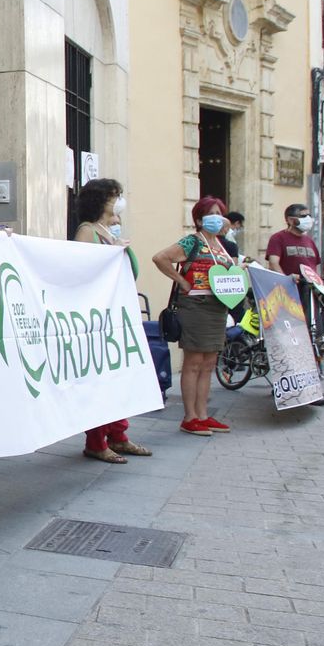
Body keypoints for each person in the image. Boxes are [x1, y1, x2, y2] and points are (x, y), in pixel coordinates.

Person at [72, 179, 153, 462]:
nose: (118, 201)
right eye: (113, 196)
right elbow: (83, 269)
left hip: (116, 316)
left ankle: (118, 435)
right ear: (99, 201)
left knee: (117, 379)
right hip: (98, 319)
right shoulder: (87, 231)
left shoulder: (108, 230)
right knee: (100, 382)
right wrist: (112, 251)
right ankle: (96, 440)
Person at [152, 197, 235, 437]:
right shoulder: (192, 241)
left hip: (217, 307)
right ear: (199, 219)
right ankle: (190, 417)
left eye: (220, 213)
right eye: (211, 213)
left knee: (209, 363)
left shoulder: (221, 245)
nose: (217, 217)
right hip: (195, 305)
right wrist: (182, 282)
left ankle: (202, 414)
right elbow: (161, 258)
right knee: (194, 362)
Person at [266, 203, 321, 277]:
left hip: (308, 286)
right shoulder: (278, 238)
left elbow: (314, 266)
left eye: (309, 216)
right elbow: (273, 264)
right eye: (303, 216)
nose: (308, 219)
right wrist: (287, 280)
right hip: (287, 286)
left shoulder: (309, 241)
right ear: (290, 220)